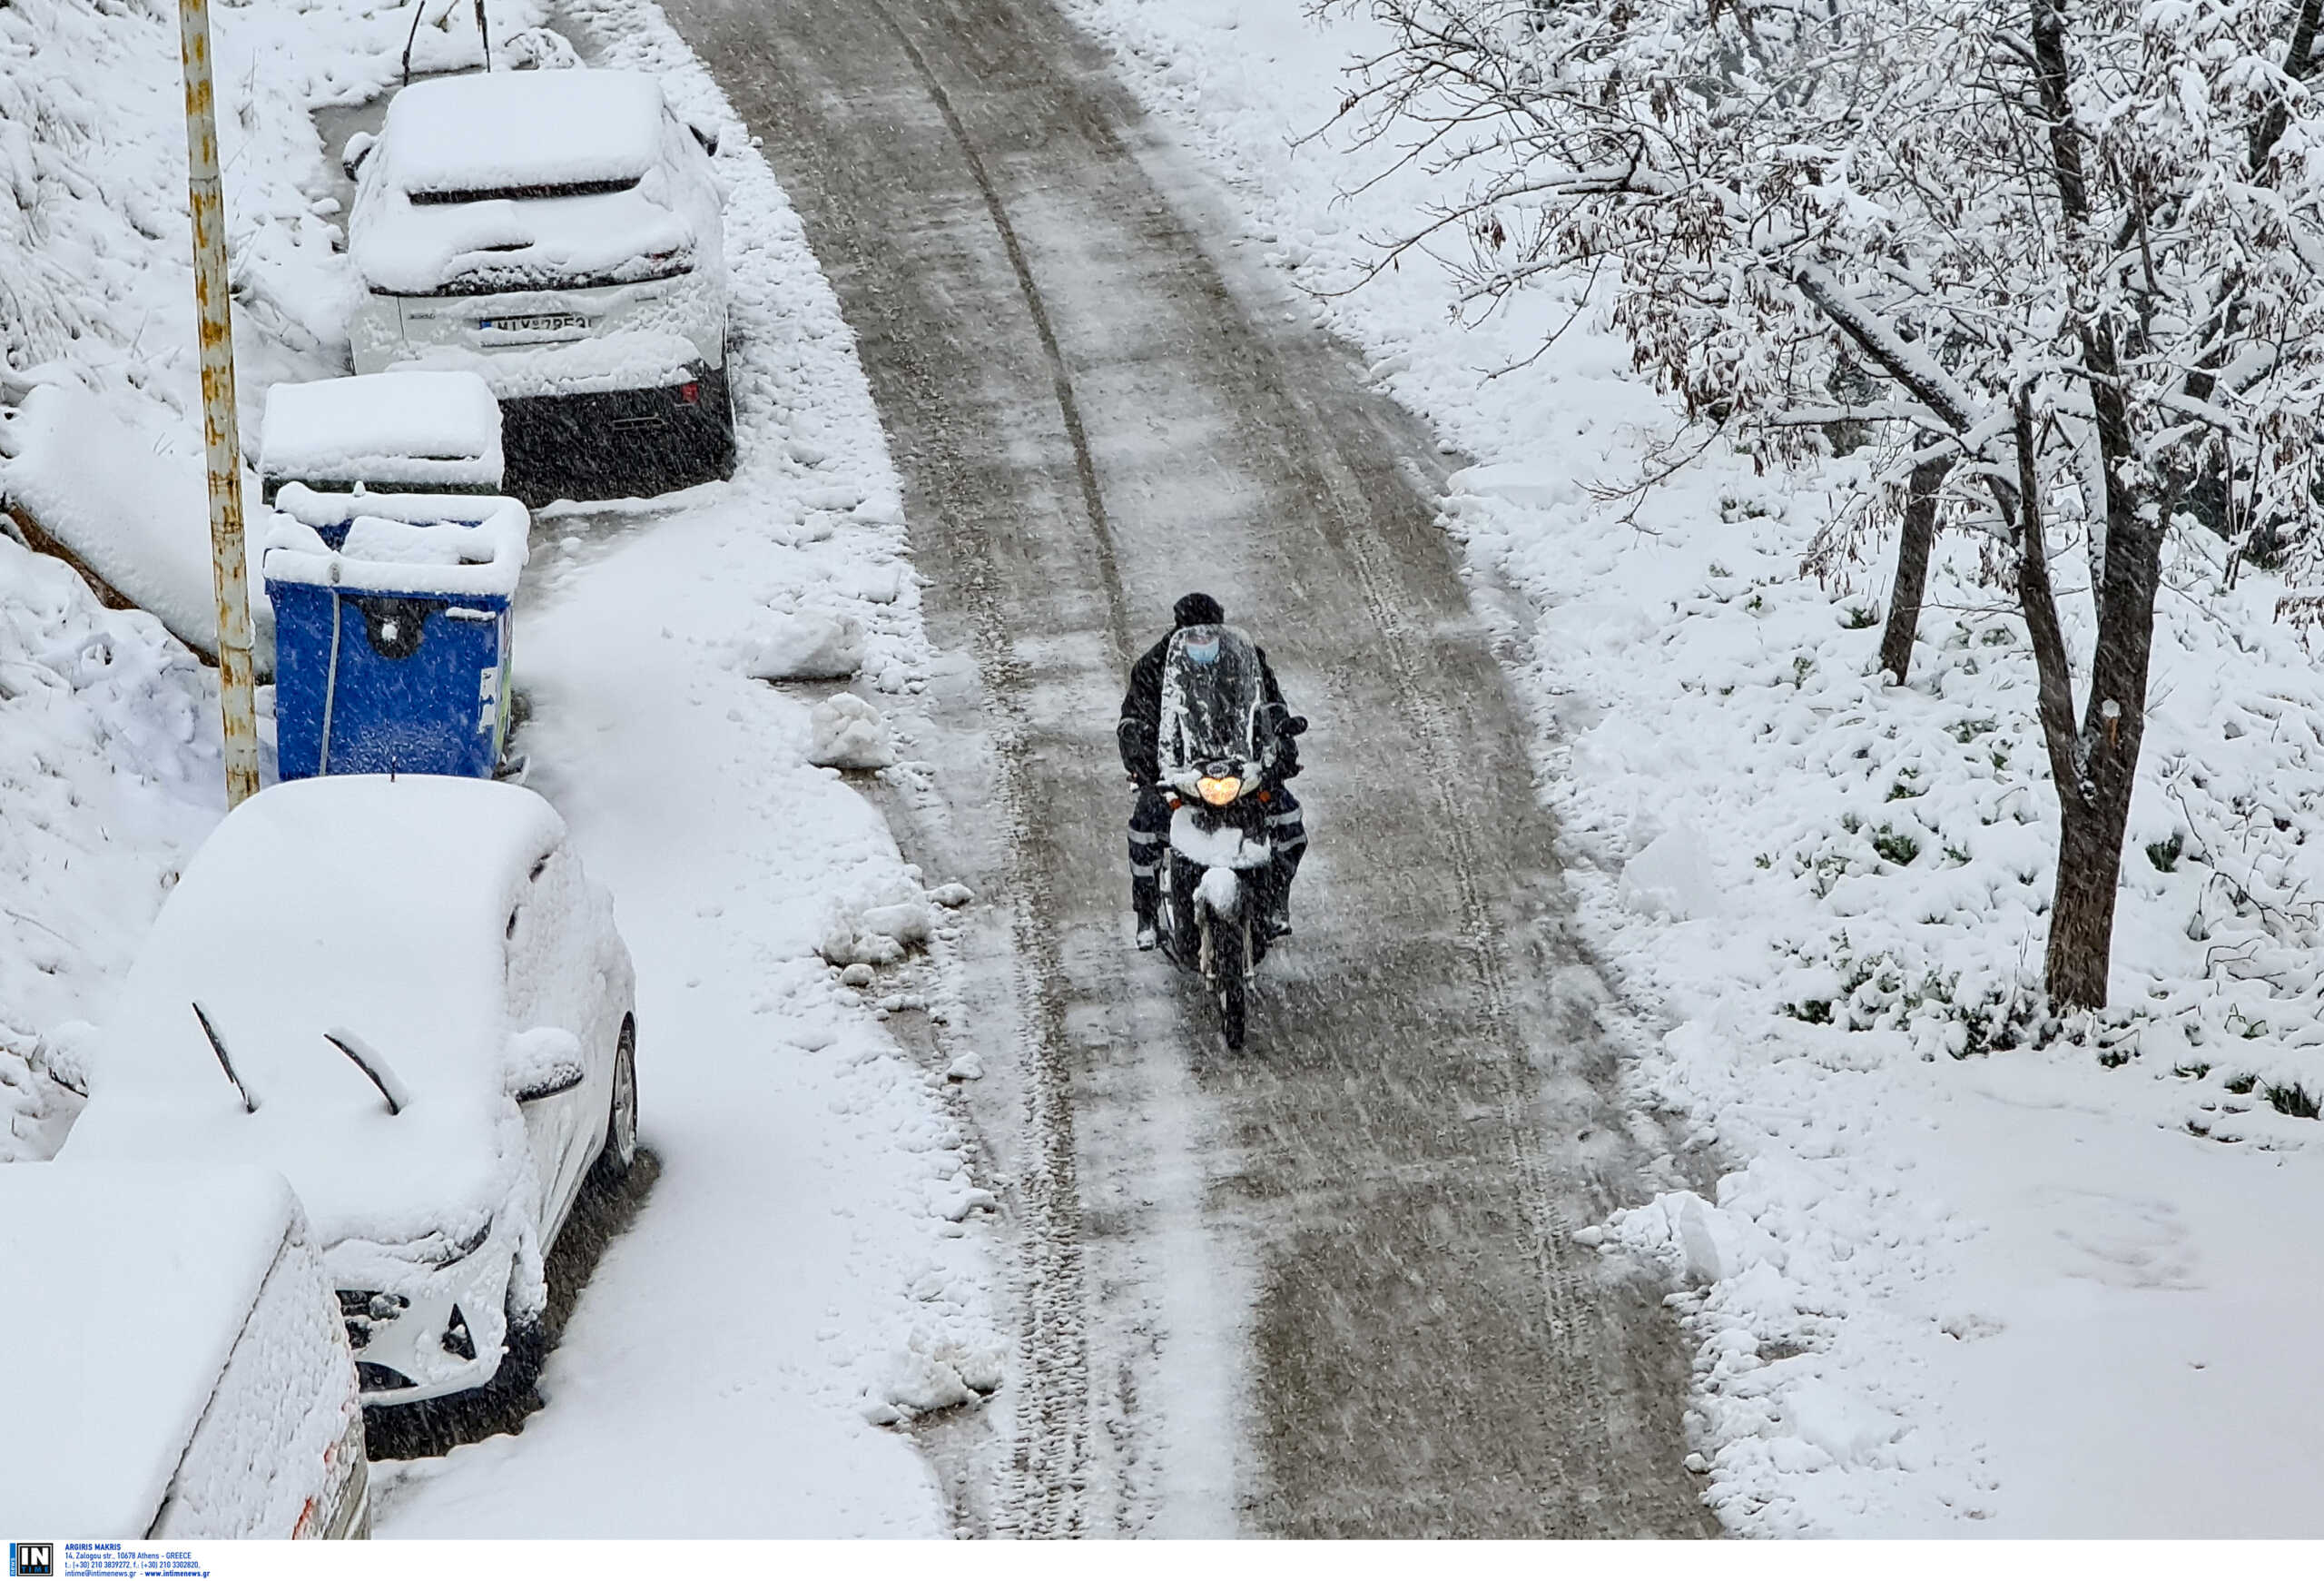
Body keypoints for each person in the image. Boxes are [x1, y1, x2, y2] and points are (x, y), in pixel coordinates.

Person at [1116, 592, 1306, 951]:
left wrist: (1281, 741)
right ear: (1180, 631)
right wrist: (1138, 751)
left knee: (1289, 824)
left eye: (1209, 634)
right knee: (1144, 832)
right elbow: (1133, 718)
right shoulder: (1154, 666)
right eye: (1194, 635)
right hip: (1180, 771)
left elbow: (1270, 706)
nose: (1203, 642)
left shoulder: (1244, 660)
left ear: (1220, 629)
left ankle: (1277, 899)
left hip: (1240, 768)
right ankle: (1148, 915)